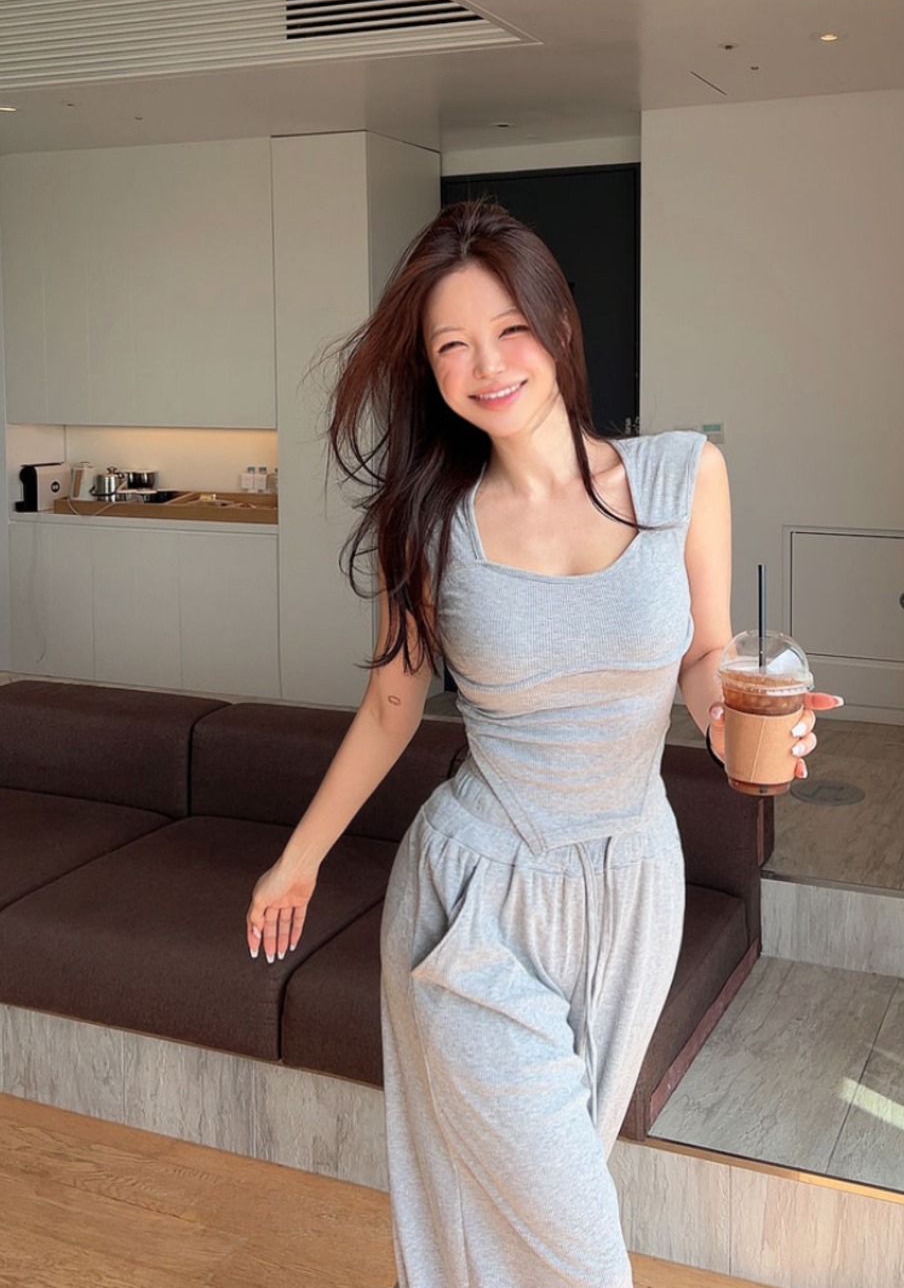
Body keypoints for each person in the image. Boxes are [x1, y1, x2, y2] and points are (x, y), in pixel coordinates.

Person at [244, 198, 838, 1287]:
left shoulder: (682, 477)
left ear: (557, 325)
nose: (487, 365)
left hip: (631, 889)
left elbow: (703, 654)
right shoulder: (429, 523)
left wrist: (731, 718)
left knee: (531, 1215)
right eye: (451, 345)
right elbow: (389, 708)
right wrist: (300, 856)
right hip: (473, 900)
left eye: (509, 329)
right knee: (575, 1250)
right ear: (429, 369)